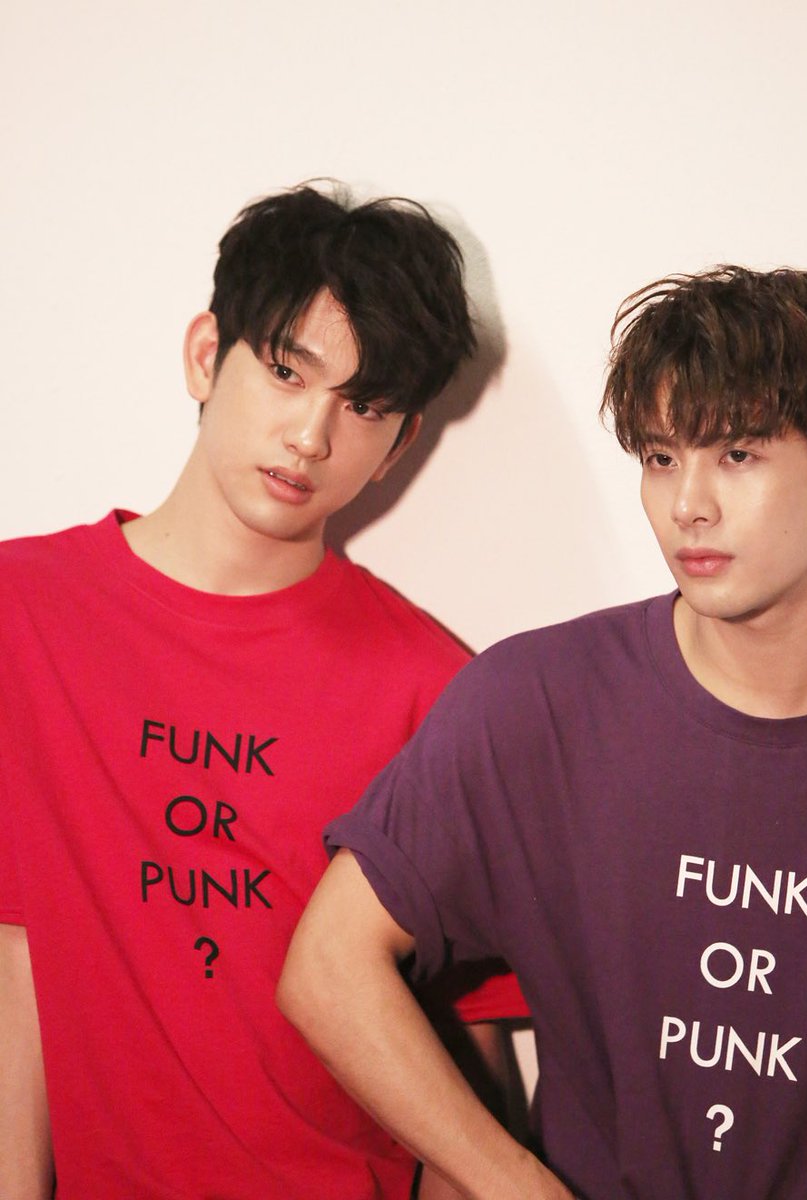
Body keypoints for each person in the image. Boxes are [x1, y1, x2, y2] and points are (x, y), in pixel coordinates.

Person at [278, 265, 807, 1199]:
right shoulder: (541, 704)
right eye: (661, 457)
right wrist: (517, 1187)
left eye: (737, 455)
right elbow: (328, 969)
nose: (688, 504)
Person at [0, 182, 523, 1200]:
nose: (311, 437)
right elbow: (12, 961)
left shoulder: (433, 693)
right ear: (207, 355)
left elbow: (468, 1074)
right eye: (287, 371)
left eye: (364, 406)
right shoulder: (24, 616)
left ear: (399, 444)